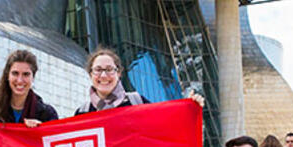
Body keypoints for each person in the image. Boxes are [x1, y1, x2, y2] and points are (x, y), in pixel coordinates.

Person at [74, 47, 204, 115]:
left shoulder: (137, 102)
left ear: (119, 73)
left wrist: (189, 108)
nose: (103, 75)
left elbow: (164, 127)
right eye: (98, 69)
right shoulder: (82, 112)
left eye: (109, 69)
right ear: (90, 74)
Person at [0, 49, 58, 129]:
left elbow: (56, 139)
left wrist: (42, 131)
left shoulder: (47, 114)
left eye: (26, 74)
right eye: (15, 73)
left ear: (33, 77)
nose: (20, 80)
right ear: (8, 75)